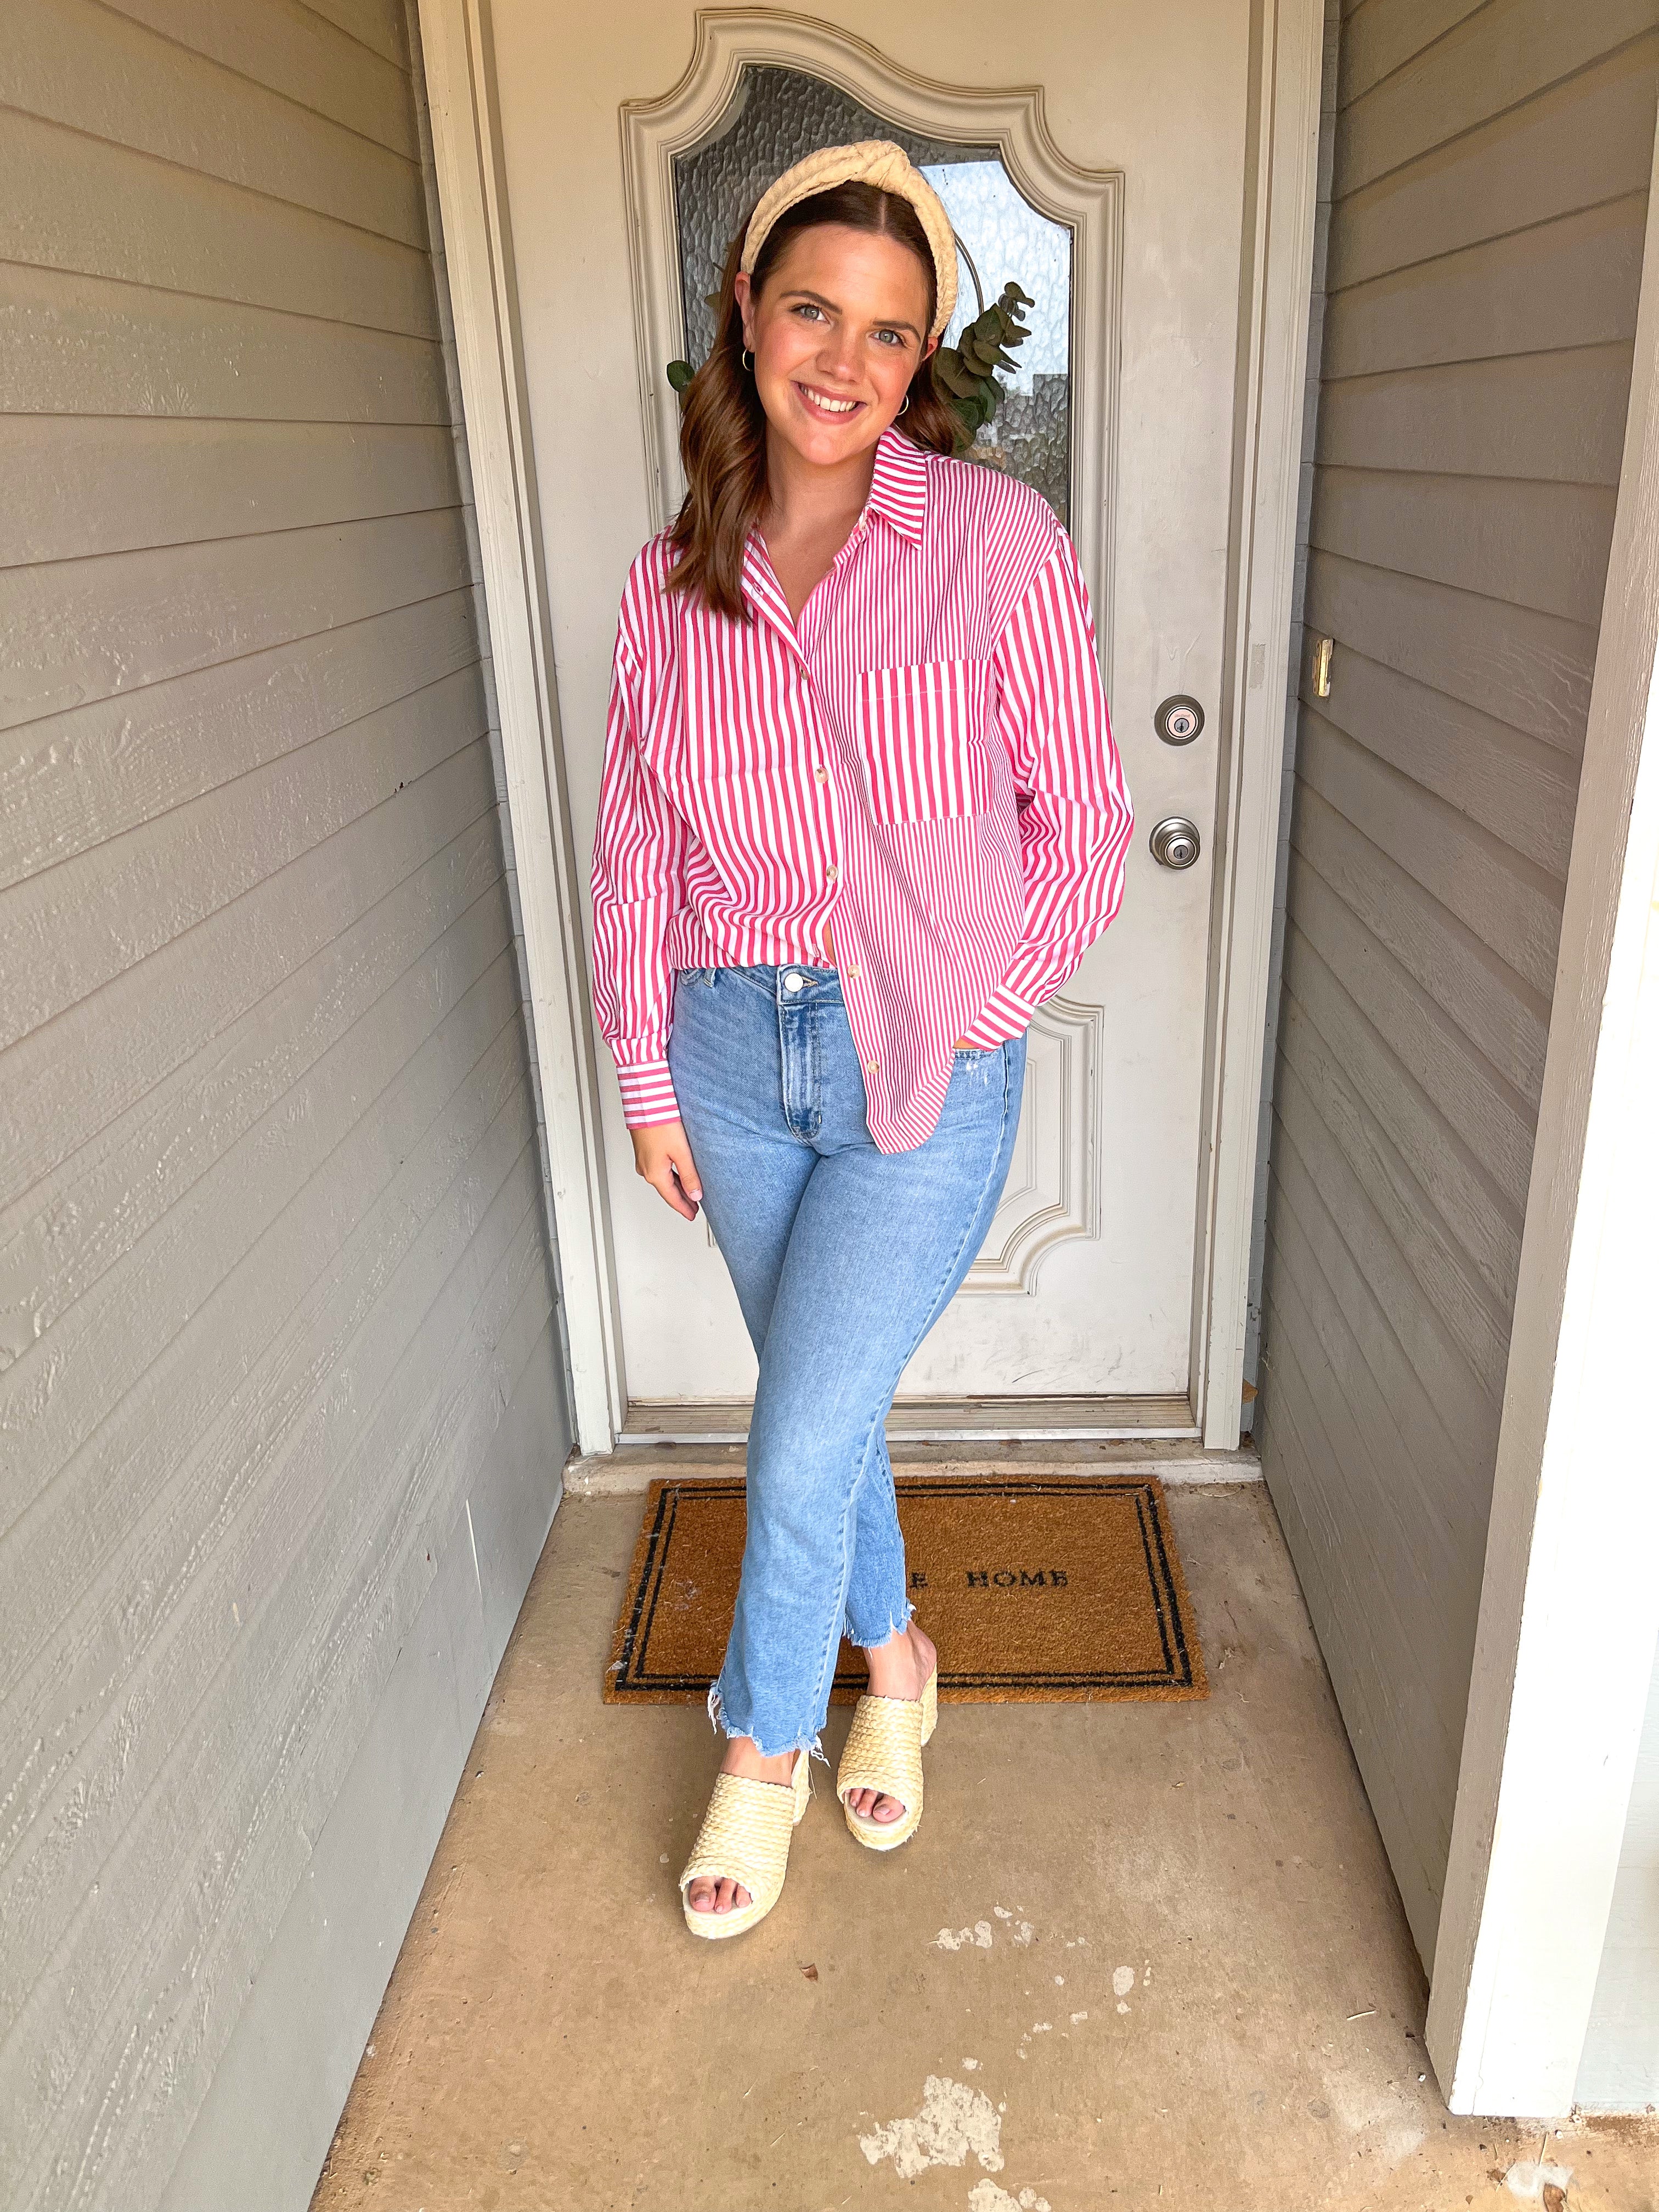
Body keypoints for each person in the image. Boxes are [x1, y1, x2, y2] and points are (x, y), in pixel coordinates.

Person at [590, 140, 1132, 1939]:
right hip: (733, 1054)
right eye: (813, 310)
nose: (845, 360)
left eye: (891, 335)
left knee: (797, 1425)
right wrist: (652, 1077)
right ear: (744, 318)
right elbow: (634, 845)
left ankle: (762, 1752)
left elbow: (1089, 823)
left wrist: (975, 1014)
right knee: (827, 1427)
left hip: (922, 1063)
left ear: (920, 367)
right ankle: (896, 1653)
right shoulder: (671, 588)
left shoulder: (992, 542)